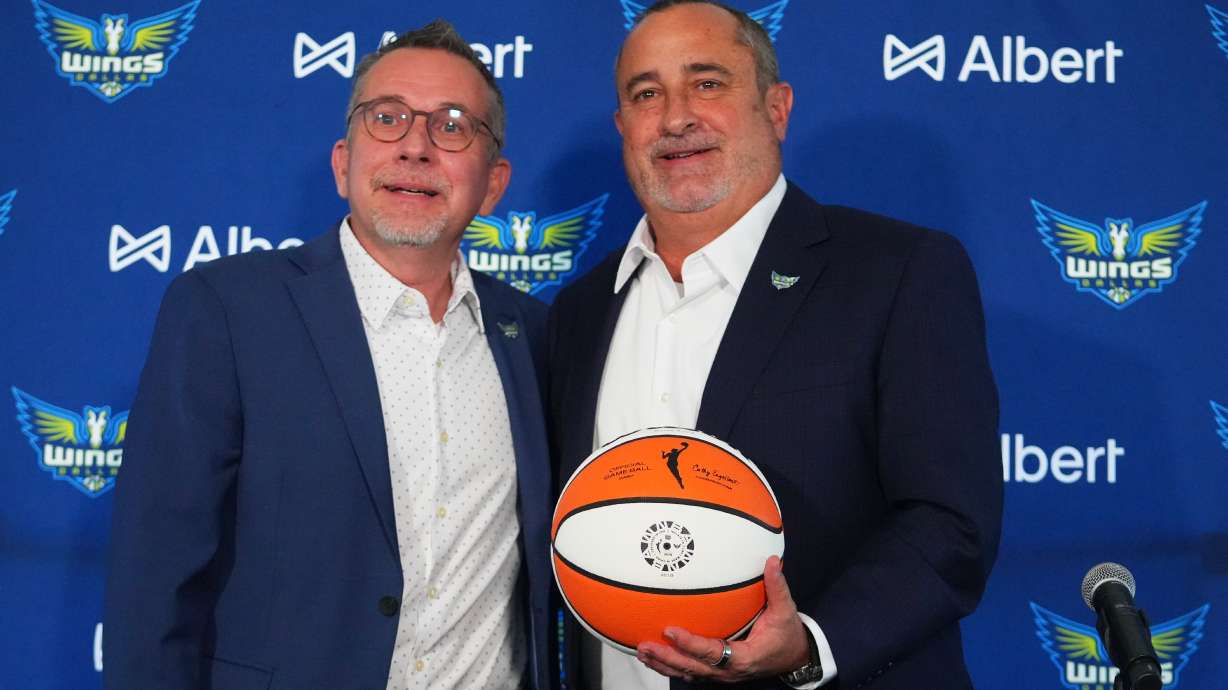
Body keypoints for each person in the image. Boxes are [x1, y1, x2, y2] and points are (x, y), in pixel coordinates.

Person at [547, 2, 1002, 688]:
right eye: (646, 94)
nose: (675, 118)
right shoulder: (579, 311)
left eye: (707, 83)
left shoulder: (898, 272)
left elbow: (951, 524)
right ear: (623, 128)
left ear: (777, 108)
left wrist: (812, 644)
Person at [105, 20, 553, 690]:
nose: (416, 147)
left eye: (452, 126)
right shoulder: (225, 310)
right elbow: (154, 578)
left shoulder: (535, 335)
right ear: (344, 163)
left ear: (493, 183)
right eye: (388, 118)